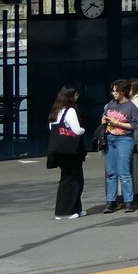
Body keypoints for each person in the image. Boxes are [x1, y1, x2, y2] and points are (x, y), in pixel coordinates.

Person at [102, 79, 138, 213]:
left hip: (124, 139)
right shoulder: (110, 105)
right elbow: (104, 116)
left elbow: (134, 125)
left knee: (124, 172)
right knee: (111, 173)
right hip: (110, 138)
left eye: (116, 91)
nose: (113, 93)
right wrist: (104, 120)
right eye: (112, 91)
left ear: (122, 92)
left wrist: (118, 123)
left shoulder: (131, 106)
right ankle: (110, 201)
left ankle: (128, 201)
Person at [47, 85, 87, 219]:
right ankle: (65, 211)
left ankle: (76, 208)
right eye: (75, 95)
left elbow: (51, 128)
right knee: (73, 180)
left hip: (58, 150)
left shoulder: (55, 111)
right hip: (71, 151)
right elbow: (77, 130)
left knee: (69, 178)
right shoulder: (70, 111)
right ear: (71, 96)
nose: (77, 97)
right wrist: (83, 130)